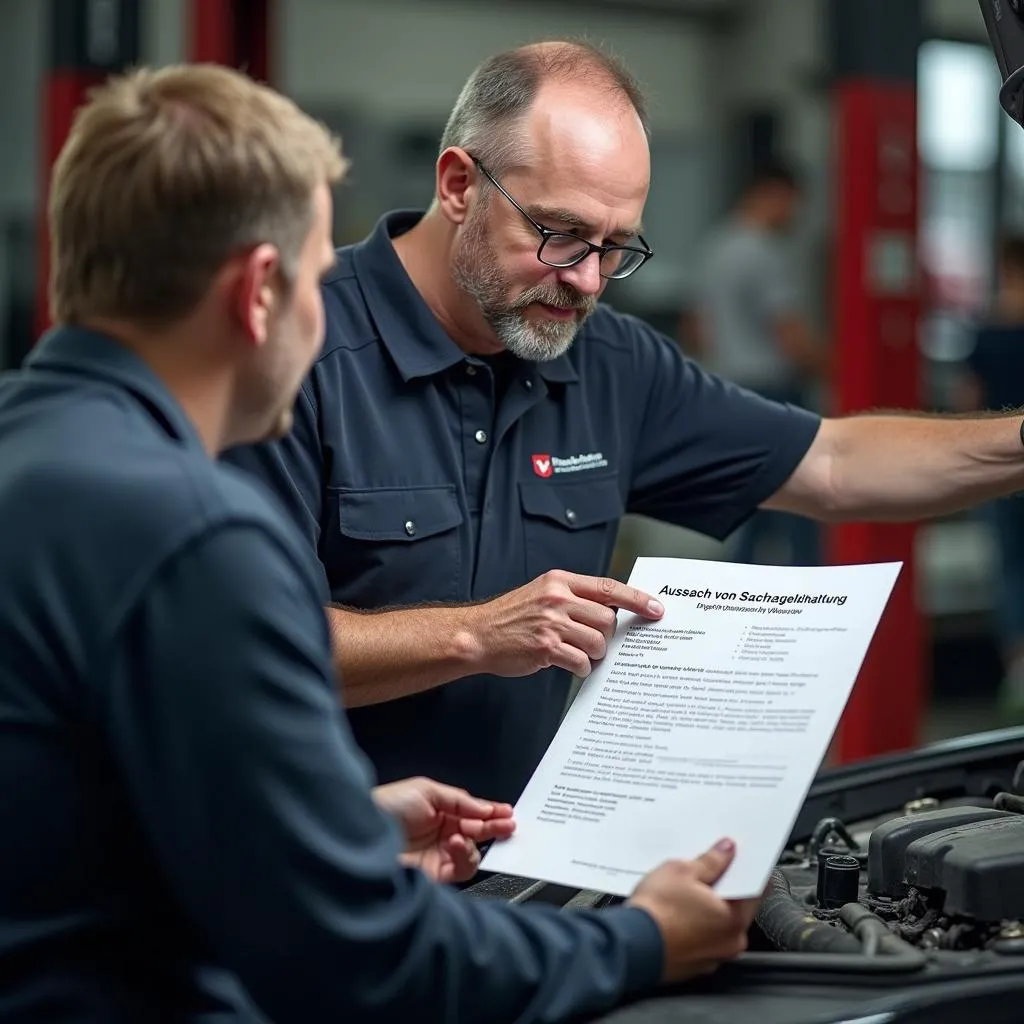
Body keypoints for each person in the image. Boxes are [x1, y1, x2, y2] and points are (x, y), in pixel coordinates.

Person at [0, 60, 763, 1024]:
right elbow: (361, 959)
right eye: (321, 276)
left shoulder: (29, 451)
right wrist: (644, 940)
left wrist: (335, 828)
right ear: (262, 293)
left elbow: (73, 800)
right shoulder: (194, 537)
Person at [224, 39, 1024, 809]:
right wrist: (476, 635)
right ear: (459, 184)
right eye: (558, 233)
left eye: (613, 248)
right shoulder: (297, 351)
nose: (584, 279)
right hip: (314, 886)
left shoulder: (607, 358)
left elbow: (836, 465)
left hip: (519, 881)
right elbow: (236, 647)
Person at [694, 159, 827, 567]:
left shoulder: (714, 246)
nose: (794, 216)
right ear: (774, 195)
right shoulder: (766, 253)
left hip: (727, 387)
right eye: (793, 204)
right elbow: (790, 337)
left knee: (749, 506)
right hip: (773, 392)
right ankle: (813, 609)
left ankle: (741, 604)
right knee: (802, 506)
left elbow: (696, 329)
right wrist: (843, 369)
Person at [955, 234, 1024, 724]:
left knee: (1009, 569)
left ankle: (1018, 671)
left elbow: (968, 400)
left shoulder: (988, 326)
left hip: (999, 470)